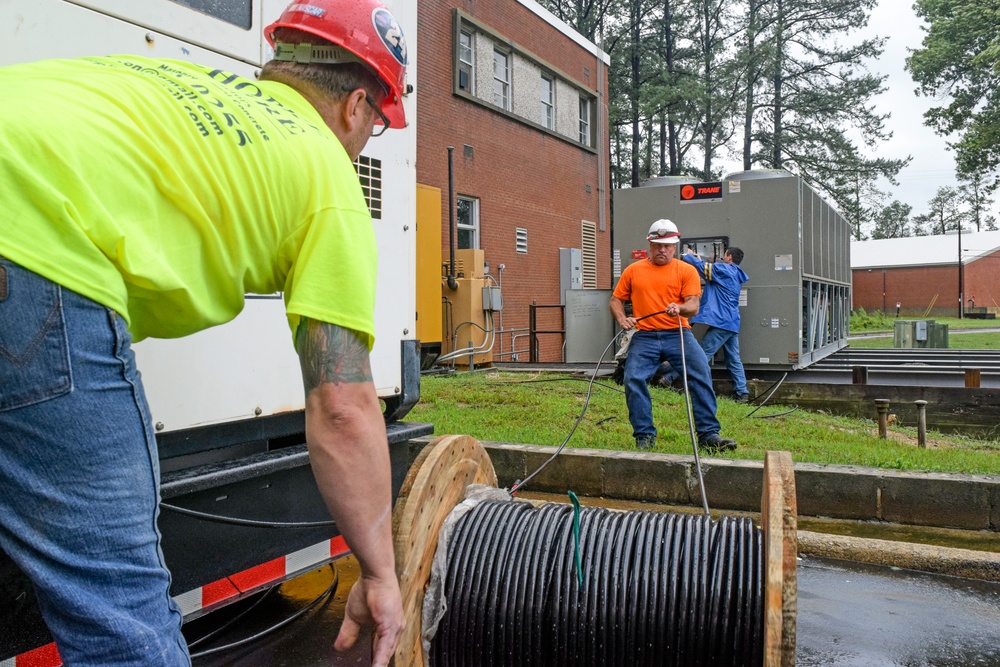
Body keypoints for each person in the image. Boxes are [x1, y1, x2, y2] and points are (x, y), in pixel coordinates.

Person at [0, 1, 406, 665]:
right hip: (29, 247)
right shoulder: (329, 175)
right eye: (378, 124)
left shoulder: (174, 84)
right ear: (358, 106)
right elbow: (342, 405)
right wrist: (382, 573)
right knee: (122, 623)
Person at [609, 219, 737, 453]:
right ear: (650, 244)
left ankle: (708, 434)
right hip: (645, 336)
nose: (662, 250)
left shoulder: (686, 270)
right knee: (633, 378)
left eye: (667, 246)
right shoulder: (633, 271)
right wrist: (621, 318)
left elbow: (694, 305)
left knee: (700, 373)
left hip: (678, 334)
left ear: (675, 246)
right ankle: (644, 436)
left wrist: (680, 308)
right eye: (658, 245)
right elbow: (616, 299)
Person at [661, 246, 751, 402]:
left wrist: (687, 255)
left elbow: (703, 267)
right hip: (731, 322)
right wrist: (698, 259)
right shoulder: (734, 273)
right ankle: (742, 392)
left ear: (729, 257)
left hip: (721, 323)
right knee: (733, 359)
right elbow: (707, 272)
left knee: (700, 355)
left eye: (724, 255)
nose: (723, 258)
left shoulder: (725, 270)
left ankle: (670, 377)